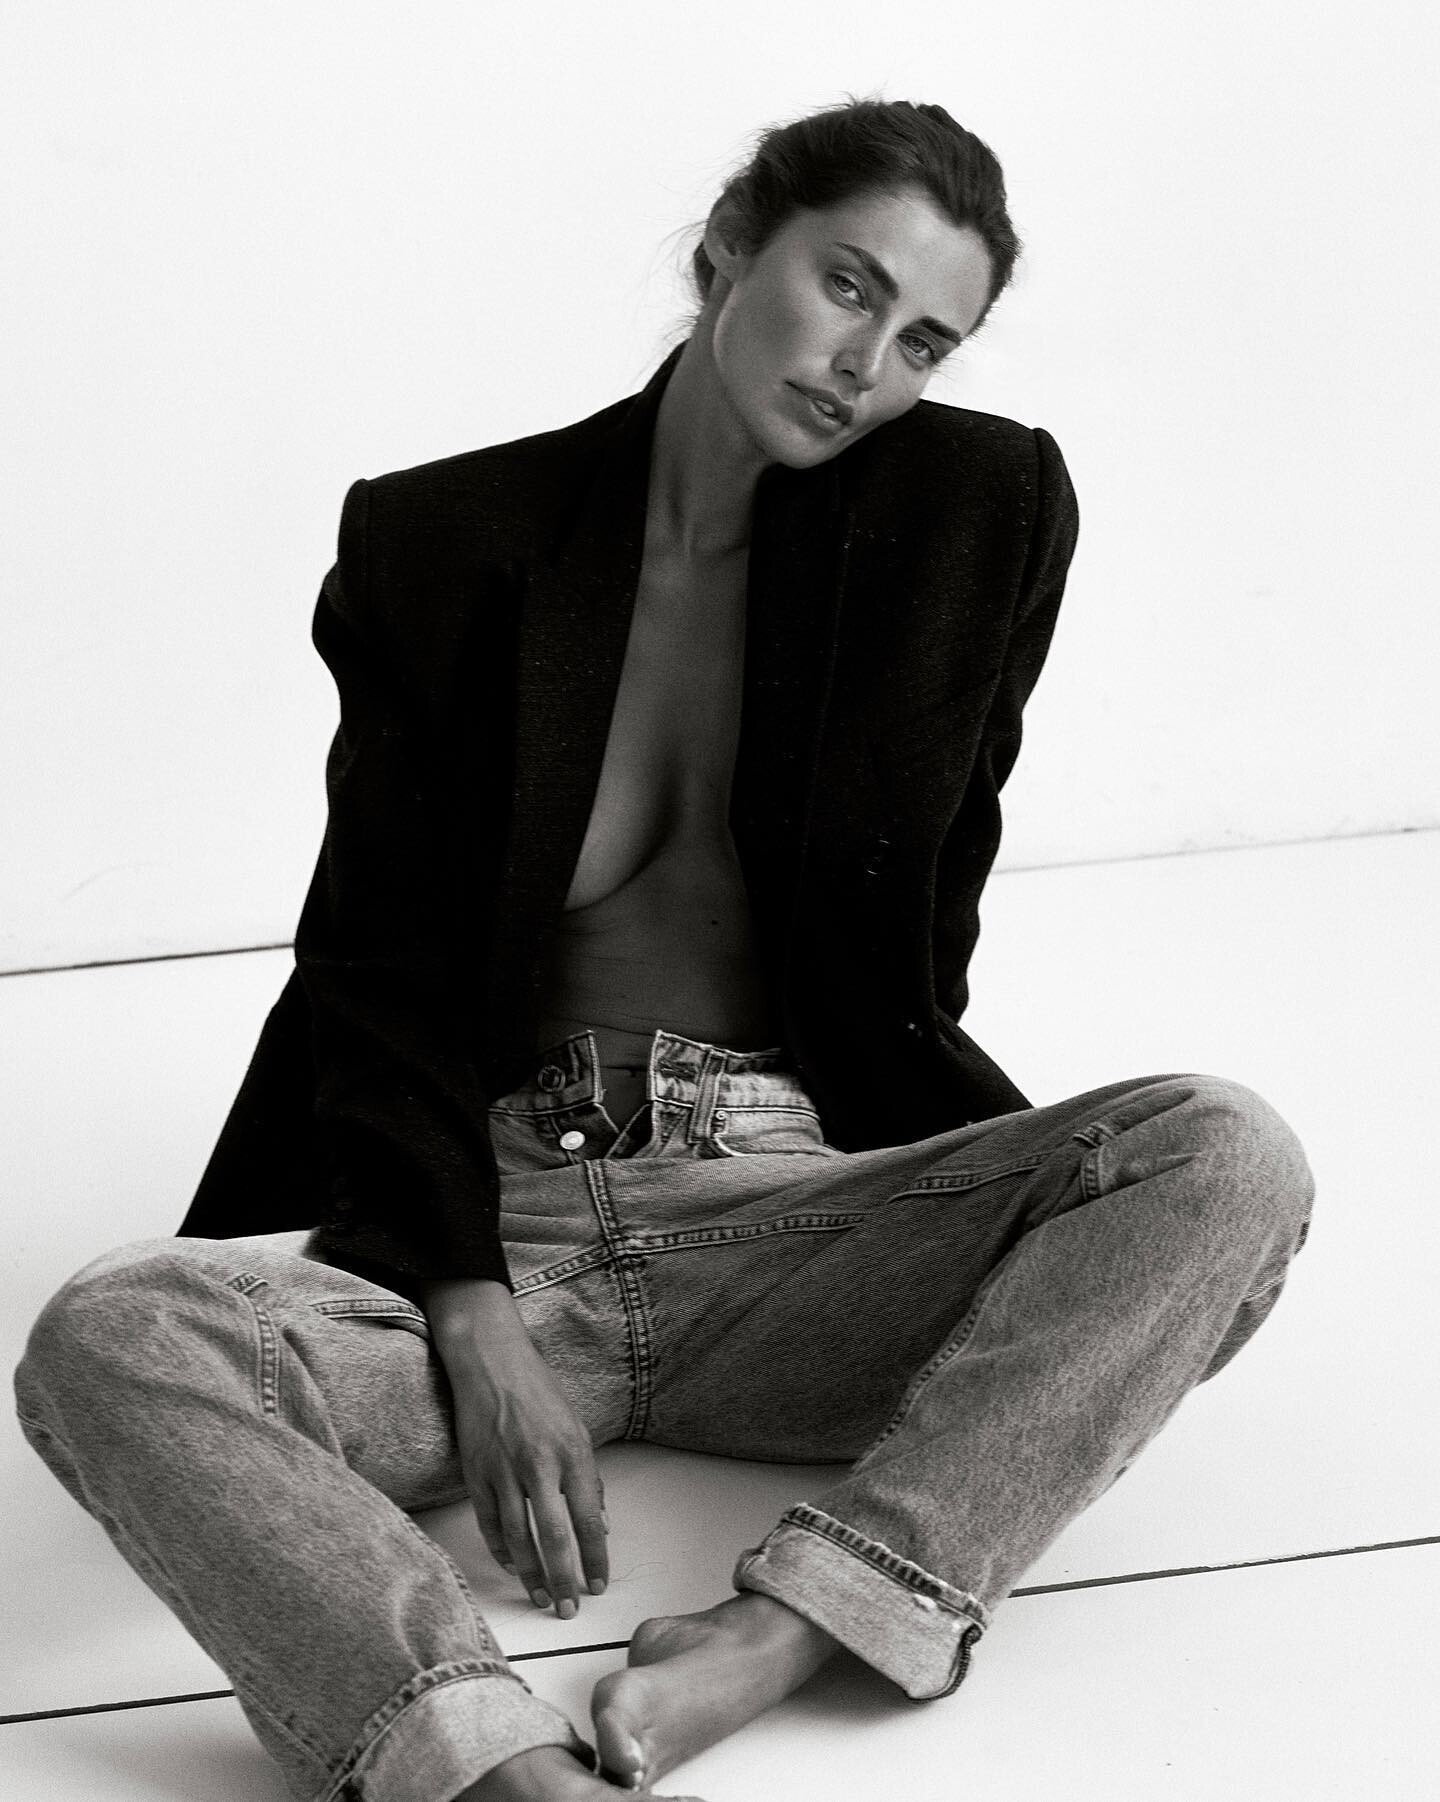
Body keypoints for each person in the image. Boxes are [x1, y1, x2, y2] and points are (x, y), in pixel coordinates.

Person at [14, 98, 1314, 1802]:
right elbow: (377, 962)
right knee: (108, 1335)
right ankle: (484, 1760)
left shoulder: (975, 512)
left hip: (789, 1219)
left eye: (925, 340)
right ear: (729, 247)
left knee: (1225, 1154)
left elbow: (929, 913)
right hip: (504, 1218)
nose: (866, 366)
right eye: (847, 286)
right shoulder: (448, 540)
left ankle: (799, 1622)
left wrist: (919, 1203)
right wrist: (471, 1314)